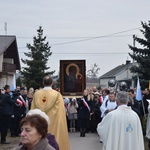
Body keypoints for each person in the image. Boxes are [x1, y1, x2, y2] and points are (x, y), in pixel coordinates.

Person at [31, 75, 70, 150]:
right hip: (53, 122)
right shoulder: (57, 95)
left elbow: (32, 110)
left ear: (43, 83)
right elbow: (61, 112)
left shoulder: (37, 94)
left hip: (39, 122)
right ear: (52, 83)